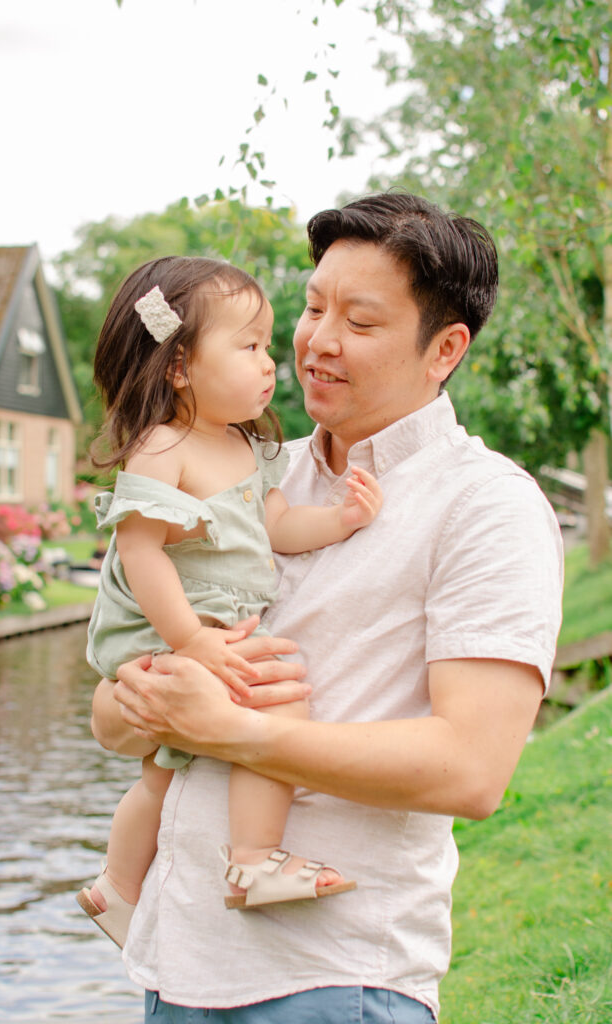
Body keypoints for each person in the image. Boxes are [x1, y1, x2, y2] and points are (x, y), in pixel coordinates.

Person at [90, 192, 563, 1023]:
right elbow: (114, 717)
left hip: (332, 980)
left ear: (445, 348)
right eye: (311, 308)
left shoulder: (486, 505)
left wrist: (229, 729)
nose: (317, 342)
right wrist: (142, 699)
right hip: (175, 969)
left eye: (362, 322)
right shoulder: (238, 465)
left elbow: (472, 768)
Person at [77, 256, 382, 948]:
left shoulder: (245, 446)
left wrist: (339, 521)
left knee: (159, 774)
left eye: (269, 344)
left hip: (204, 624)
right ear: (179, 367)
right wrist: (189, 640)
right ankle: (252, 862)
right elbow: (141, 551)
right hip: (170, 625)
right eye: (249, 346)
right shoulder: (162, 446)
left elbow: (274, 528)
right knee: (278, 699)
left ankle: (116, 892)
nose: (272, 362)